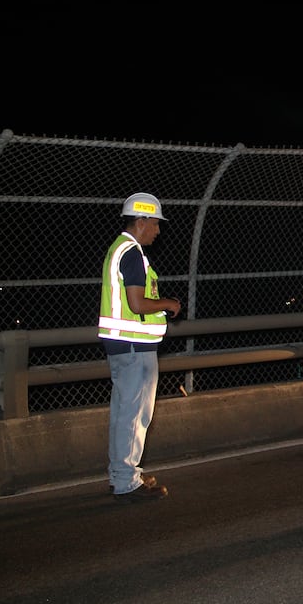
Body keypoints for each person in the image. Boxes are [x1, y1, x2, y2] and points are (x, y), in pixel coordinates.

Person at [98, 192, 181, 501]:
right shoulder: (132, 252)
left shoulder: (117, 248)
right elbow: (136, 303)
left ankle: (120, 473)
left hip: (121, 345)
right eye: (156, 224)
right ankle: (127, 482)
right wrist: (168, 303)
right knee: (135, 414)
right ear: (142, 221)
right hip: (135, 346)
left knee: (123, 412)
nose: (158, 231)